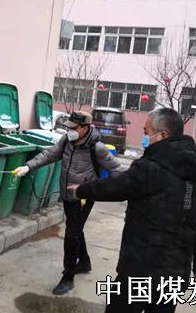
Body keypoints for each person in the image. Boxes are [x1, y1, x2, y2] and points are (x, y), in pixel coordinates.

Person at [68, 108, 196, 313]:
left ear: (163, 135)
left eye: (147, 132)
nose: (144, 137)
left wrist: (81, 190)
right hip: (175, 275)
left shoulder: (149, 168)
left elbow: (115, 187)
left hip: (138, 270)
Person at [14, 111, 121, 295]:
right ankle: (84, 262)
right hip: (67, 195)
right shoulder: (67, 141)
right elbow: (49, 154)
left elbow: (117, 170)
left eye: (73, 128)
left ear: (85, 128)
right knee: (75, 229)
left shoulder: (97, 148)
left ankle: (68, 278)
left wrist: (101, 189)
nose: (69, 131)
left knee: (71, 234)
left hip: (84, 198)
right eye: (68, 127)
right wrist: (28, 166)